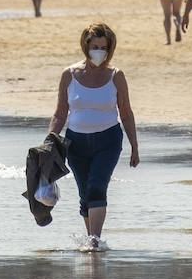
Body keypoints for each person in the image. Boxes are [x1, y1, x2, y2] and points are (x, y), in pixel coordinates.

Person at [46, 23, 140, 252]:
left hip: (108, 141)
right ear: (85, 46)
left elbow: (126, 113)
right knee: (85, 194)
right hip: (76, 143)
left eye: (104, 48)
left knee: (97, 186)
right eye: (95, 47)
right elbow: (60, 113)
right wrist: (48, 142)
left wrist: (134, 147)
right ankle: (91, 240)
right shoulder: (69, 75)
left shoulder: (116, 76)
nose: (99, 52)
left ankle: (95, 240)